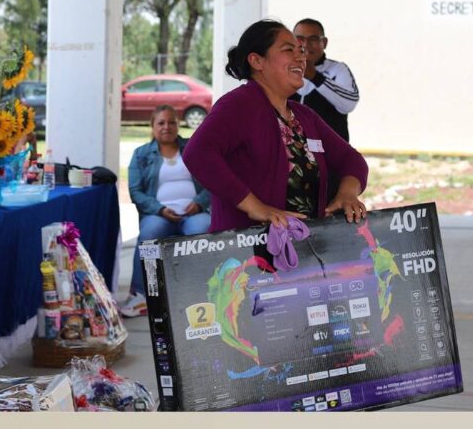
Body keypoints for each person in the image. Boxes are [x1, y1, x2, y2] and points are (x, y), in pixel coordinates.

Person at [183, 19, 369, 234]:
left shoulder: (303, 115)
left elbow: (351, 160)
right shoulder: (238, 105)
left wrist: (348, 193)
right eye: (289, 49)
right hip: (249, 256)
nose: (302, 56)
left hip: (306, 253)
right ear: (257, 61)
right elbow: (197, 153)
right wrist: (256, 208)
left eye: (301, 50)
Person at [120, 105, 211, 317]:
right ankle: (141, 295)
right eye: (161, 123)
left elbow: (212, 181)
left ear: (178, 125)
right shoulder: (141, 154)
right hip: (159, 213)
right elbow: (136, 191)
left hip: (193, 212)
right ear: (152, 126)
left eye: (171, 122)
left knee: (203, 229)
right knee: (149, 234)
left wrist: (199, 203)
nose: (166, 127)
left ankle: (203, 291)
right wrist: (160, 210)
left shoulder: (193, 148)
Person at [290, 18, 360, 142]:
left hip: (331, 155)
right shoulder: (283, 70)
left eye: (313, 39)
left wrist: (315, 76)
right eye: (300, 39)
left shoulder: (338, 69)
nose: (306, 45)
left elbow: (349, 103)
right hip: (292, 154)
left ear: (324, 43)